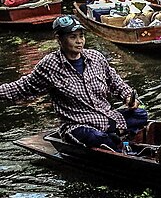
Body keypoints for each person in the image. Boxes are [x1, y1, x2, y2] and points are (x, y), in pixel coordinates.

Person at [0, 15, 146, 148]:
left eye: (81, 36)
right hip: (77, 125)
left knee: (141, 114)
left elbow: (116, 83)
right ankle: (116, 142)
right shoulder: (50, 65)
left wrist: (128, 97)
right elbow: (22, 87)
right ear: (59, 39)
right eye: (73, 37)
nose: (79, 41)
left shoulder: (96, 58)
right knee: (97, 137)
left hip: (104, 118)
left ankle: (114, 136)